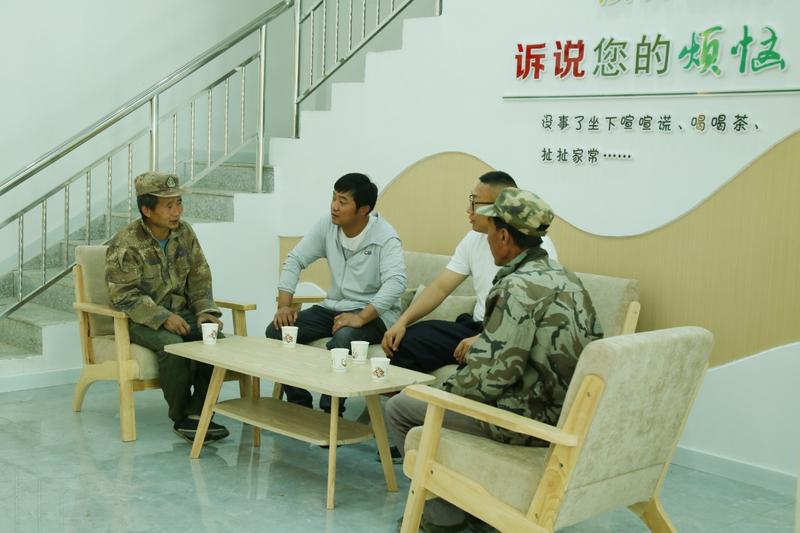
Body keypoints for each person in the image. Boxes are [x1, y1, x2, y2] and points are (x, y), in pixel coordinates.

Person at [385, 187, 603, 532]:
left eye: (489, 232)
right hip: (563, 414)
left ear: (503, 236)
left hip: (524, 419)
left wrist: (440, 393)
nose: (486, 240)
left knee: (400, 408)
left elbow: (491, 377)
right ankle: (471, 508)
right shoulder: (568, 278)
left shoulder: (517, 287)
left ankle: (447, 518)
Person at [381, 170, 557, 373]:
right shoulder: (474, 239)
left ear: (500, 207)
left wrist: (486, 339)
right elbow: (440, 287)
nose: (468, 210)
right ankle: (406, 393)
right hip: (477, 326)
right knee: (406, 341)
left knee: (479, 361)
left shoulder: (535, 245)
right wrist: (401, 322)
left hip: (513, 335)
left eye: (475, 203)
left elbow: (535, 314)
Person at [265, 172, 407, 415]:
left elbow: (396, 283)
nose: (334, 206)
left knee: (344, 338)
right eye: (333, 198)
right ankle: (300, 404)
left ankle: (331, 413)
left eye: (343, 201)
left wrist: (361, 317)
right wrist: (284, 306)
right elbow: (295, 259)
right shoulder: (327, 226)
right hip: (334, 307)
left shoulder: (385, 237)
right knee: (277, 331)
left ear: (364, 210)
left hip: (373, 314)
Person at [106, 171, 229, 442]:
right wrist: (163, 317)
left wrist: (205, 311)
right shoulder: (126, 242)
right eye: (169, 205)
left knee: (215, 341)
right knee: (172, 346)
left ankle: (199, 413)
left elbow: (199, 276)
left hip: (182, 312)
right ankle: (182, 416)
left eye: (179, 203)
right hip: (140, 319)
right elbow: (124, 296)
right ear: (146, 209)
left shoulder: (185, 233)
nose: (177, 212)